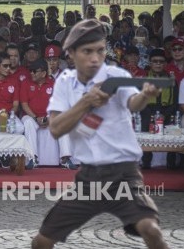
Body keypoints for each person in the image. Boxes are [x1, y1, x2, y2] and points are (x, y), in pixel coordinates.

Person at [31, 19, 169, 249]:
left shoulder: (115, 74)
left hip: (124, 173)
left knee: (151, 230)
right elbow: (55, 129)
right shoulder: (65, 83)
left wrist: (145, 95)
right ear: (71, 54)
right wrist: (86, 102)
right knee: (42, 241)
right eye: (87, 51)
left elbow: (134, 104)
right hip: (88, 178)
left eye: (100, 50)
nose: (95, 58)